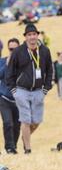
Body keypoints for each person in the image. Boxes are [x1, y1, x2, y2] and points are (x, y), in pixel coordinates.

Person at [6, 24, 53, 154]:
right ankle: (28, 149)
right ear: (25, 37)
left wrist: (46, 88)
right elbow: (9, 72)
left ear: (37, 35)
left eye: (34, 34)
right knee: (25, 119)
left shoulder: (44, 51)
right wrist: (14, 90)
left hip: (39, 90)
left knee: (37, 120)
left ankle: (25, 136)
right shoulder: (18, 52)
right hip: (22, 90)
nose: (32, 37)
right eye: (29, 35)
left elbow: (50, 70)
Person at [0, 38, 21, 154]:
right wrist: (7, 65)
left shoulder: (23, 63)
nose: (12, 51)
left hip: (18, 100)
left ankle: (14, 146)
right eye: (10, 49)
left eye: (15, 49)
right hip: (4, 98)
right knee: (8, 123)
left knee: (17, 126)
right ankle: (9, 148)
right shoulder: (3, 61)